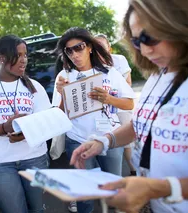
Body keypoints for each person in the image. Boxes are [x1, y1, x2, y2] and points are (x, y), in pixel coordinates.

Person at [70, 0, 188, 212]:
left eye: (150, 37)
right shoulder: (159, 74)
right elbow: (142, 124)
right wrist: (105, 141)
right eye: (137, 41)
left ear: (184, 26)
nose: (145, 50)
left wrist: (161, 188)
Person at [52, 27, 135, 213]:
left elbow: (129, 104)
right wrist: (63, 94)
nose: (74, 54)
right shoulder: (64, 77)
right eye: (69, 50)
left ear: (89, 47)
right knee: (85, 197)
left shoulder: (109, 72)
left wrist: (109, 99)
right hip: (78, 140)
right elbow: (59, 116)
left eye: (78, 47)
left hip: (110, 138)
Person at [0, 35, 51, 213]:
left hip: (35, 158)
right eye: (18, 55)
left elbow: (47, 122)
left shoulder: (34, 86)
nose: (24, 60)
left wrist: (26, 133)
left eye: (25, 55)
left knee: (38, 209)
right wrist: (5, 127)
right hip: (0, 163)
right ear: (2, 58)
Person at [95, 34, 137, 176]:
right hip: (106, 109)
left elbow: (128, 84)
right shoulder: (91, 65)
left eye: (102, 46)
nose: (99, 50)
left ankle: (133, 169)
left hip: (119, 102)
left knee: (127, 141)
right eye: (96, 47)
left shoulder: (119, 60)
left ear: (109, 48)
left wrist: (113, 96)